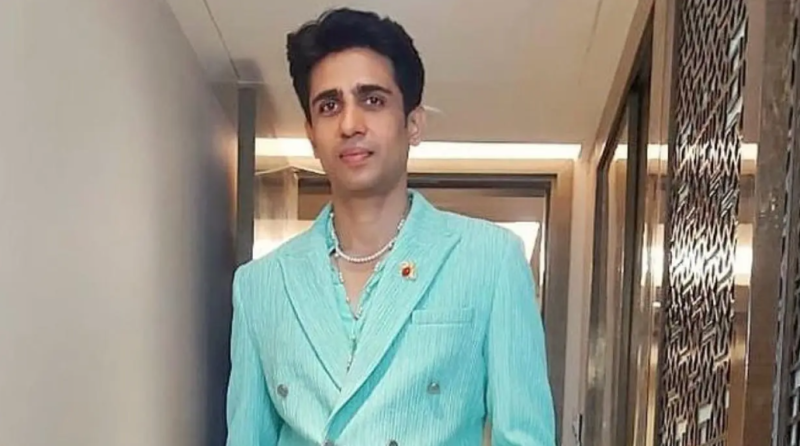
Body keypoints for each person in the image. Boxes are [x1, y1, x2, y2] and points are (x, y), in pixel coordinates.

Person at [226, 7, 555, 446]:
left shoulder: (491, 260)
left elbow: (526, 438)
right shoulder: (259, 286)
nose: (349, 124)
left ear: (413, 124)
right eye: (329, 106)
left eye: (373, 100)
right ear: (311, 134)